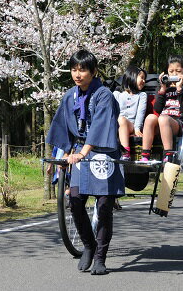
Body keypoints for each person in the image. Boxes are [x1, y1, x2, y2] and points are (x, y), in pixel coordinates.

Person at [46, 49, 124, 275]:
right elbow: (63, 128)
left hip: (104, 153)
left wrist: (83, 152)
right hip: (80, 151)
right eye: (74, 69)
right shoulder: (69, 96)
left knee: (103, 206)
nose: (77, 74)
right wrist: (60, 154)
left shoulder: (104, 95)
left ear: (93, 71)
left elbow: (102, 127)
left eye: (82, 70)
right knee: (76, 199)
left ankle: (100, 258)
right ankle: (89, 246)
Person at [141, 55, 183, 163]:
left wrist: (179, 89)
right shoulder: (162, 88)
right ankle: (145, 156)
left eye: (178, 71)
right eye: (171, 71)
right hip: (162, 121)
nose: (174, 74)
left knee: (163, 119)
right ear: (166, 72)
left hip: (178, 122)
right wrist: (162, 89)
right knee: (150, 117)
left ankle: (168, 155)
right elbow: (157, 109)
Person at [113, 65, 147, 160]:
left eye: (145, 79)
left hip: (131, 125)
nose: (144, 81)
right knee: (119, 119)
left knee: (121, 119)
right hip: (117, 124)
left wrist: (137, 128)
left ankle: (125, 152)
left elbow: (141, 112)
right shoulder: (118, 94)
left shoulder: (142, 95)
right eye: (142, 78)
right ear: (132, 76)